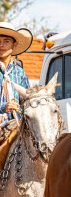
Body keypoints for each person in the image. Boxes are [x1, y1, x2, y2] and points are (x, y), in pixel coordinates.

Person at [0, 22, 32, 166]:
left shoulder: (20, 72)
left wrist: (21, 108)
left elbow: (27, 99)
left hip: (17, 124)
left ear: (14, 45)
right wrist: (3, 107)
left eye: (6, 41)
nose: (2, 45)